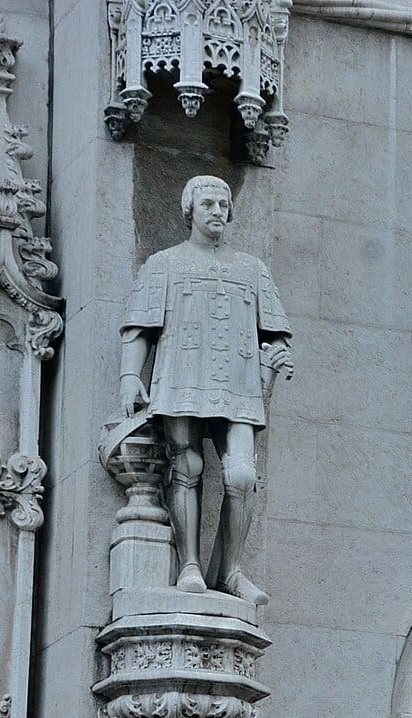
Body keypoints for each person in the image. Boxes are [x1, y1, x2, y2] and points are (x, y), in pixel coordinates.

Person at [120, 175, 292, 605]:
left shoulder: (252, 269)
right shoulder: (163, 264)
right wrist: (129, 377)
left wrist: (275, 357)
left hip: (238, 381)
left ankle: (231, 571)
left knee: (241, 474)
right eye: (208, 204)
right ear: (190, 211)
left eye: (223, 204)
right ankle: (190, 564)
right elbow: (139, 327)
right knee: (188, 465)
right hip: (181, 373)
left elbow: (276, 333)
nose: (217, 211)